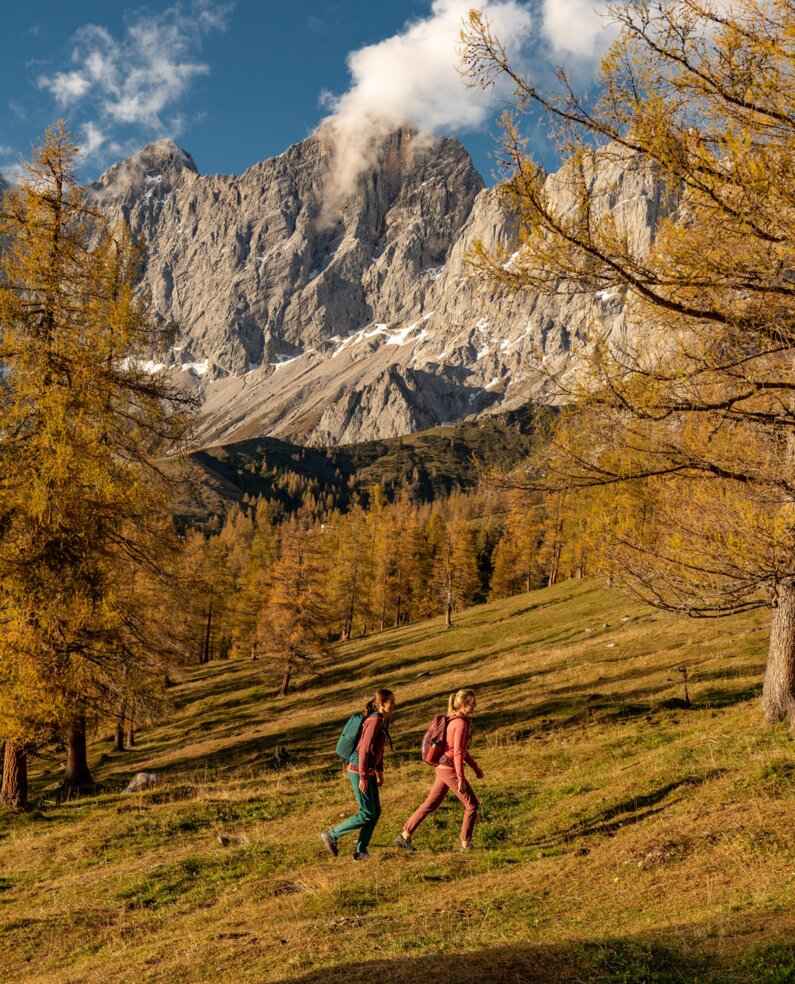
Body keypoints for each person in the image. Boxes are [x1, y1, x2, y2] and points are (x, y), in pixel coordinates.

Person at [395, 688, 483, 852]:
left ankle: (404, 835)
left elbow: (462, 751)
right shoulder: (460, 724)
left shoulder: (454, 720)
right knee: (471, 805)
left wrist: (475, 767)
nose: (475, 706)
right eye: (472, 703)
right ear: (463, 705)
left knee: (431, 804)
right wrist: (461, 779)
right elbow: (457, 752)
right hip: (449, 769)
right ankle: (466, 844)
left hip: (442, 768)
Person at [321, 688, 395, 861]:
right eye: (391, 701)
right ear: (382, 704)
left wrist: (380, 770)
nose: (395, 704)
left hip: (369, 770)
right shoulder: (375, 721)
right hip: (358, 769)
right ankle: (332, 835)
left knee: (375, 812)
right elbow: (363, 751)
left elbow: (378, 749)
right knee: (367, 812)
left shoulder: (384, 721)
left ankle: (361, 851)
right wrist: (362, 776)